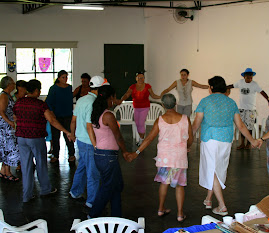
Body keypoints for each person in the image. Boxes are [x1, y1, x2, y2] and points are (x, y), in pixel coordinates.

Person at [192, 76, 261, 216]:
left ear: (211, 88)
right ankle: (208, 199)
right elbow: (240, 125)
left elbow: (196, 124)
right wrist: (252, 140)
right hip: (226, 141)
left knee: (212, 170)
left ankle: (222, 206)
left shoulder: (205, 101)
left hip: (210, 139)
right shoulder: (231, 103)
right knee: (217, 169)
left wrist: (187, 140)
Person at [127, 94, 193, 223]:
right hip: (179, 157)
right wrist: (187, 146)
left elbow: (149, 138)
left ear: (162, 105)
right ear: (175, 103)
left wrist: (136, 152)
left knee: (164, 183)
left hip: (164, 158)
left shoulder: (160, 120)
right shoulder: (185, 119)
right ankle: (180, 214)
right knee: (179, 186)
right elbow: (190, 138)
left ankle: (161, 209)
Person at [13, 79, 71, 202]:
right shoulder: (40, 104)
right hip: (35, 137)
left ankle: (26, 196)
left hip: (21, 138)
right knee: (41, 163)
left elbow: (15, 118)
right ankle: (45, 189)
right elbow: (52, 121)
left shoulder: (18, 103)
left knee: (26, 166)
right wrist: (66, 131)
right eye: (39, 90)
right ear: (35, 90)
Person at [88, 85, 129, 218]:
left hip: (101, 154)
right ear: (110, 97)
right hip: (108, 157)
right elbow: (118, 136)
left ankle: (116, 216)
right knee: (107, 187)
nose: (114, 100)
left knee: (116, 186)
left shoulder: (96, 112)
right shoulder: (108, 115)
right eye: (114, 97)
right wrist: (125, 152)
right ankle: (92, 215)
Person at [69, 76, 109, 209]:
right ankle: (92, 201)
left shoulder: (81, 99)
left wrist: (73, 134)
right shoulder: (93, 103)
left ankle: (75, 192)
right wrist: (95, 145)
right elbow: (89, 126)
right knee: (93, 173)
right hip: (89, 142)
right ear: (100, 89)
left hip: (81, 140)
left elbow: (74, 120)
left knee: (82, 167)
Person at [229, 68, 269, 150]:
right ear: (244, 77)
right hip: (241, 109)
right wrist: (222, 87)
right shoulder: (240, 82)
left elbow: (262, 92)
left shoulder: (255, 84)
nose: (250, 79)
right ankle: (242, 143)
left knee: (249, 127)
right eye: (248, 77)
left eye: (251, 77)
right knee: (242, 126)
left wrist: (268, 100)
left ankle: (248, 143)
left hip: (250, 109)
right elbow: (231, 86)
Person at [120, 71, 161, 146]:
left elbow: (153, 95)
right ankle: (142, 138)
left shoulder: (147, 86)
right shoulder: (132, 86)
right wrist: (121, 100)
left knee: (141, 123)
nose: (140, 79)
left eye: (142, 77)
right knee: (137, 123)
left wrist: (160, 96)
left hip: (145, 107)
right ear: (136, 78)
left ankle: (142, 140)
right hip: (136, 107)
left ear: (144, 78)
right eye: (139, 78)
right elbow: (127, 94)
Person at [46, 70, 75, 163]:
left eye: (66, 77)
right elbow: (48, 102)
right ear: (58, 78)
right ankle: (55, 154)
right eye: (63, 77)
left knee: (68, 135)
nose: (65, 79)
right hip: (56, 116)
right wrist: (51, 113)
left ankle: (71, 154)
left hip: (67, 115)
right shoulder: (54, 88)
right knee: (55, 136)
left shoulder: (69, 87)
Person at [0, 76, 20, 182]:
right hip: (5, 128)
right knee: (8, 149)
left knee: (6, 149)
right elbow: (1, 111)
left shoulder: (9, 95)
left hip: (7, 126)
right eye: (12, 82)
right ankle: (7, 172)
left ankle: (3, 170)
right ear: (8, 84)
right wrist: (10, 122)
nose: (14, 84)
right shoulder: (4, 96)